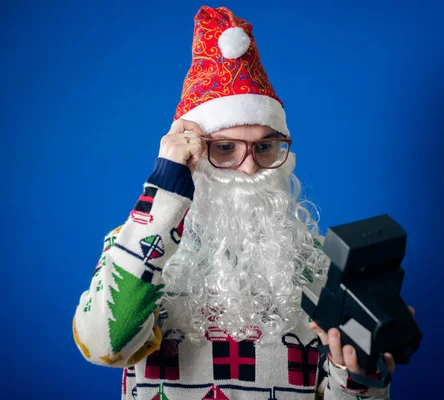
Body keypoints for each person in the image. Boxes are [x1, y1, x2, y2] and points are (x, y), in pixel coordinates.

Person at [72, 6, 414, 400]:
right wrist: (164, 188)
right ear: (191, 157)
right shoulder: (137, 247)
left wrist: (356, 379)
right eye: (225, 148)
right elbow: (104, 346)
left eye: (265, 147)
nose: (250, 168)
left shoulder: (317, 265)